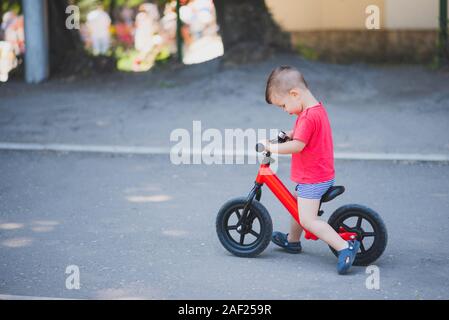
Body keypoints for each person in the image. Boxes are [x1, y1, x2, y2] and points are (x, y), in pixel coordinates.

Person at [261, 66, 360, 275]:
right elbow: (306, 133)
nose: (285, 110)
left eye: (283, 105)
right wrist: (291, 133)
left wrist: (271, 147)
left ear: (294, 94)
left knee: (308, 219)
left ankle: (345, 248)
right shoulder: (315, 110)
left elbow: (298, 146)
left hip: (313, 179)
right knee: (296, 204)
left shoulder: (306, 117)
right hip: (321, 174)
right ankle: (293, 241)